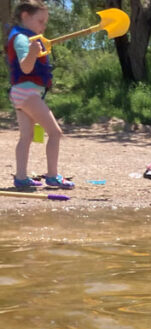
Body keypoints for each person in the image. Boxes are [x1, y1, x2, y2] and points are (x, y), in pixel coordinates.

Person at [6, 0, 74, 190]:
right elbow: (25, 67)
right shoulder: (21, 39)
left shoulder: (27, 38)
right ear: (25, 16)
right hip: (27, 93)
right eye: (40, 21)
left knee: (26, 136)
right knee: (55, 132)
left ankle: (21, 178)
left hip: (21, 93)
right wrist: (33, 53)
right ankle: (52, 176)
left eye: (45, 22)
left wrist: (35, 51)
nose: (43, 26)